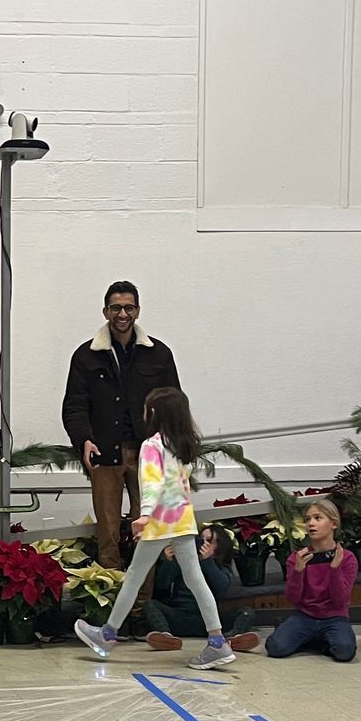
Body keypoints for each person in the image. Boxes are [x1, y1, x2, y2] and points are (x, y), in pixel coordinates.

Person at [73, 388, 234, 670]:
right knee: (195, 579)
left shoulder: (152, 445)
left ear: (155, 413)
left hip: (160, 521)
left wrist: (145, 516)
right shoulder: (182, 445)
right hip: (183, 520)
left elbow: (153, 484)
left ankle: (107, 635)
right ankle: (217, 640)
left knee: (135, 576)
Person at [61, 281, 180, 571]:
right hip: (104, 455)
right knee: (108, 533)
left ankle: (142, 606)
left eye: (128, 307)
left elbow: (173, 403)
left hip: (148, 456)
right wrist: (83, 440)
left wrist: (170, 444)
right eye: (116, 308)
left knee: (148, 532)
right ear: (105, 311)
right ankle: (111, 599)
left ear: (137, 311)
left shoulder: (159, 354)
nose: (122, 314)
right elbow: (74, 406)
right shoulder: (86, 356)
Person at [140, 525, 260, 652]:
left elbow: (222, 586)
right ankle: (166, 638)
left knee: (246, 612)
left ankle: (233, 639)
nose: (203, 544)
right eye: (200, 540)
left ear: (219, 545)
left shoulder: (221, 566)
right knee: (149, 604)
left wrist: (206, 561)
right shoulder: (183, 561)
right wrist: (169, 561)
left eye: (209, 541)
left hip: (210, 622)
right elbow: (162, 585)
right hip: (179, 617)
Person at [264, 501, 357, 663]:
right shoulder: (297, 558)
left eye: (317, 518)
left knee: (345, 652)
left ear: (333, 524)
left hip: (334, 617)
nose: (311, 524)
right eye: (307, 519)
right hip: (304, 616)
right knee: (275, 648)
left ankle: (314, 643)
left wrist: (334, 570)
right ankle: (303, 635)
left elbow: (339, 601)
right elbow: (293, 598)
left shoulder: (347, 558)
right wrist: (298, 571)